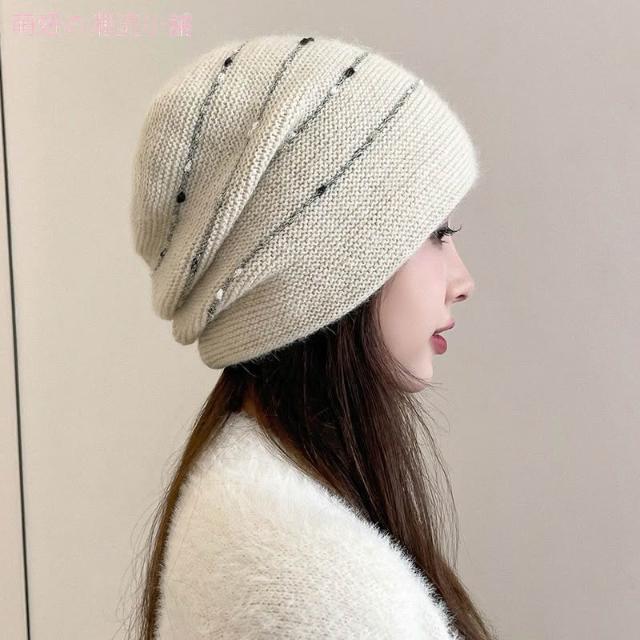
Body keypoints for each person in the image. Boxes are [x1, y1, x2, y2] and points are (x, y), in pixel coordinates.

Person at [127, 32, 496, 640]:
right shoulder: (323, 595)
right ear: (326, 267)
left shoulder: (255, 502)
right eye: (436, 234)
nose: (462, 282)